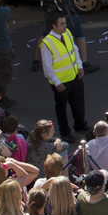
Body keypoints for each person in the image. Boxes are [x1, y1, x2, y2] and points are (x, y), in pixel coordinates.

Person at [39, 11, 87, 142]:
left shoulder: (67, 33)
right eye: (62, 24)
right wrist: (56, 82)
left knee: (78, 103)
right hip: (60, 82)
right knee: (61, 108)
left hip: (74, 77)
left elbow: (74, 50)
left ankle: (80, 124)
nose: (65, 25)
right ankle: (65, 132)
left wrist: (80, 66)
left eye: (65, 23)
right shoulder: (47, 43)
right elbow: (47, 67)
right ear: (54, 26)